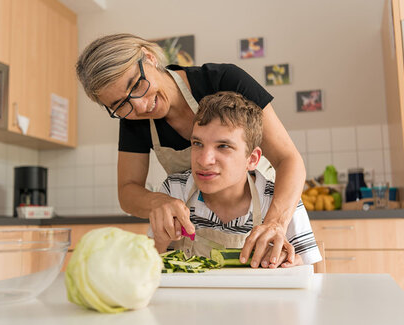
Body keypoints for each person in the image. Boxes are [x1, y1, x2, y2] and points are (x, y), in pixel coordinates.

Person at [76, 33, 306, 268]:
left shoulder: (224, 80)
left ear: (149, 58)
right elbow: (127, 192)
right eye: (120, 105)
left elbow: (288, 159)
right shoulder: (132, 119)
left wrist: (276, 223)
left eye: (136, 85)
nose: (141, 106)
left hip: (272, 211)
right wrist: (158, 202)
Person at [151, 91, 321, 267]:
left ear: (252, 159)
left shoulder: (278, 199)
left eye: (223, 146)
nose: (203, 160)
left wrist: (292, 263)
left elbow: (313, 272)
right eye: (198, 144)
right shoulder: (174, 190)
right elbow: (149, 269)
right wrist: (160, 240)